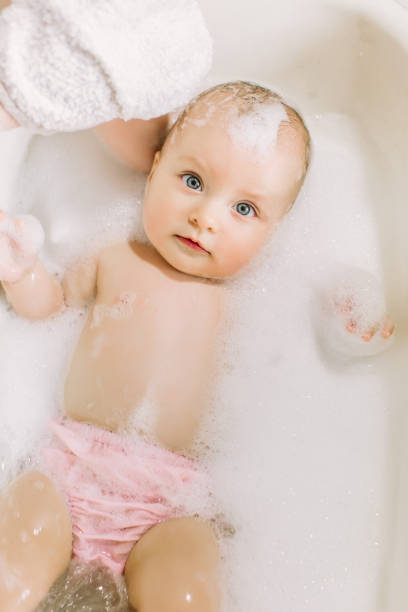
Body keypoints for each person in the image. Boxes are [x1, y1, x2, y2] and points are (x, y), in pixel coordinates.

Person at [0, 80, 311, 611]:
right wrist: (20, 268)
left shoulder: (244, 308)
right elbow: (49, 305)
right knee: (10, 574)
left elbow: (283, 379)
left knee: (185, 598)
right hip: (68, 466)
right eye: (192, 180)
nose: (205, 217)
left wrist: (348, 318)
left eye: (243, 210)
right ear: (157, 164)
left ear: (276, 231)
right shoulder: (113, 255)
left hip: (169, 502)